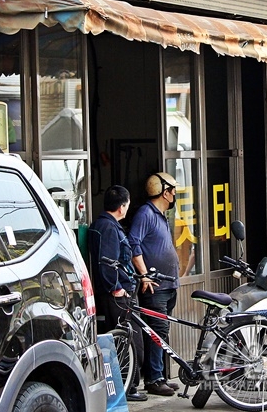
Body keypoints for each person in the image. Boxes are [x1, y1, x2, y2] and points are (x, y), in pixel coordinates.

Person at [88, 185, 147, 402]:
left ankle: (127, 384)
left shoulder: (101, 224)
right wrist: (116, 288)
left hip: (116, 292)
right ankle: (129, 386)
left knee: (125, 338)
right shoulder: (110, 228)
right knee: (130, 339)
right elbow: (107, 262)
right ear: (122, 207)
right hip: (119, 294)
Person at [128, 172, 181, 396]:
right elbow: (133, 244)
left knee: (161, 330)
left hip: (169, 284)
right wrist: (144, 275)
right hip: (155, 286)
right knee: (157, 330)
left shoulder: (161, 214)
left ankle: (159, 374)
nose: (175, 194)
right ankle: (154, 378)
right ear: (164, 192)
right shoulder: (145, 214)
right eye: (173, 190)